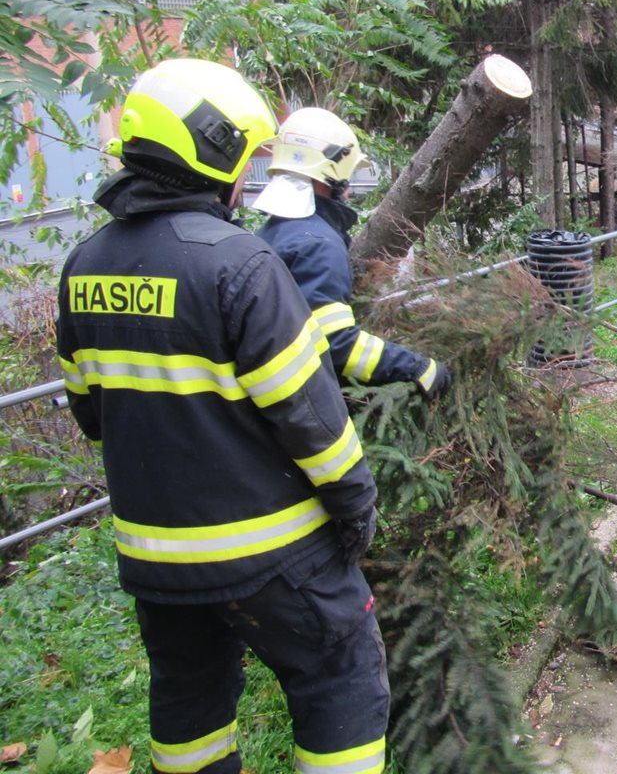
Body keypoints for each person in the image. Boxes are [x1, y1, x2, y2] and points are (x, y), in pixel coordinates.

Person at [55, 59, 388, 774]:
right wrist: (356, 507)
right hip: (272, 554)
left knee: (189, 701)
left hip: (155, 558)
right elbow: (311, 418)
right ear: (215, 150)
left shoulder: (83, 266)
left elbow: (92, 415)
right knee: (342, 677)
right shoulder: (240, 265)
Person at [252, 107, 451, 399]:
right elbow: (334, 343)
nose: (347, 192)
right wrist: (418, 367)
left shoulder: (270, 233)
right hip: (296, 400)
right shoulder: (318, 245)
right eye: (346, 180)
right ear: (330, 177)